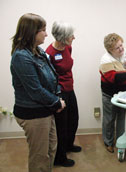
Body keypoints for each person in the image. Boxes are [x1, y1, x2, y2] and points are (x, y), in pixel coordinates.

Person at [10, 13, 66, 172]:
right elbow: (35, 90)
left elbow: (52, 77)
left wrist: (57, 98)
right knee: (39, 156)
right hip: (33, 113)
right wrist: (56, 102)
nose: (46, 34)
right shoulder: (21, 57)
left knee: (51, 149)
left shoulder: (38, 51)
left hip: (45, 109)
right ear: (31, 32)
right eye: (43, 30)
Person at [46, 21, 81, 167]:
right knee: (61, 124)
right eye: (71, 35)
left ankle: (68, 145)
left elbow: (68, 66)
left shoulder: (68, 47)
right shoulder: (49, 53)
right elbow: (48, 77)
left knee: (73, 118)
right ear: (62, 37)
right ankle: (59, 157)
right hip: (59, 92)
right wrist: (57, 96)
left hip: (69, 88)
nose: (74, 37)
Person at [99, 33, 126, 153]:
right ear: (110, 50)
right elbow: (113, 78)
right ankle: (108, 142)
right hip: (110, 94)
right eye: (117, 48)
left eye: (121, 45)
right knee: (109, 119)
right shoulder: (105, 59)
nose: (121, 49)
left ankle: (120, 142)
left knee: (123, 119)